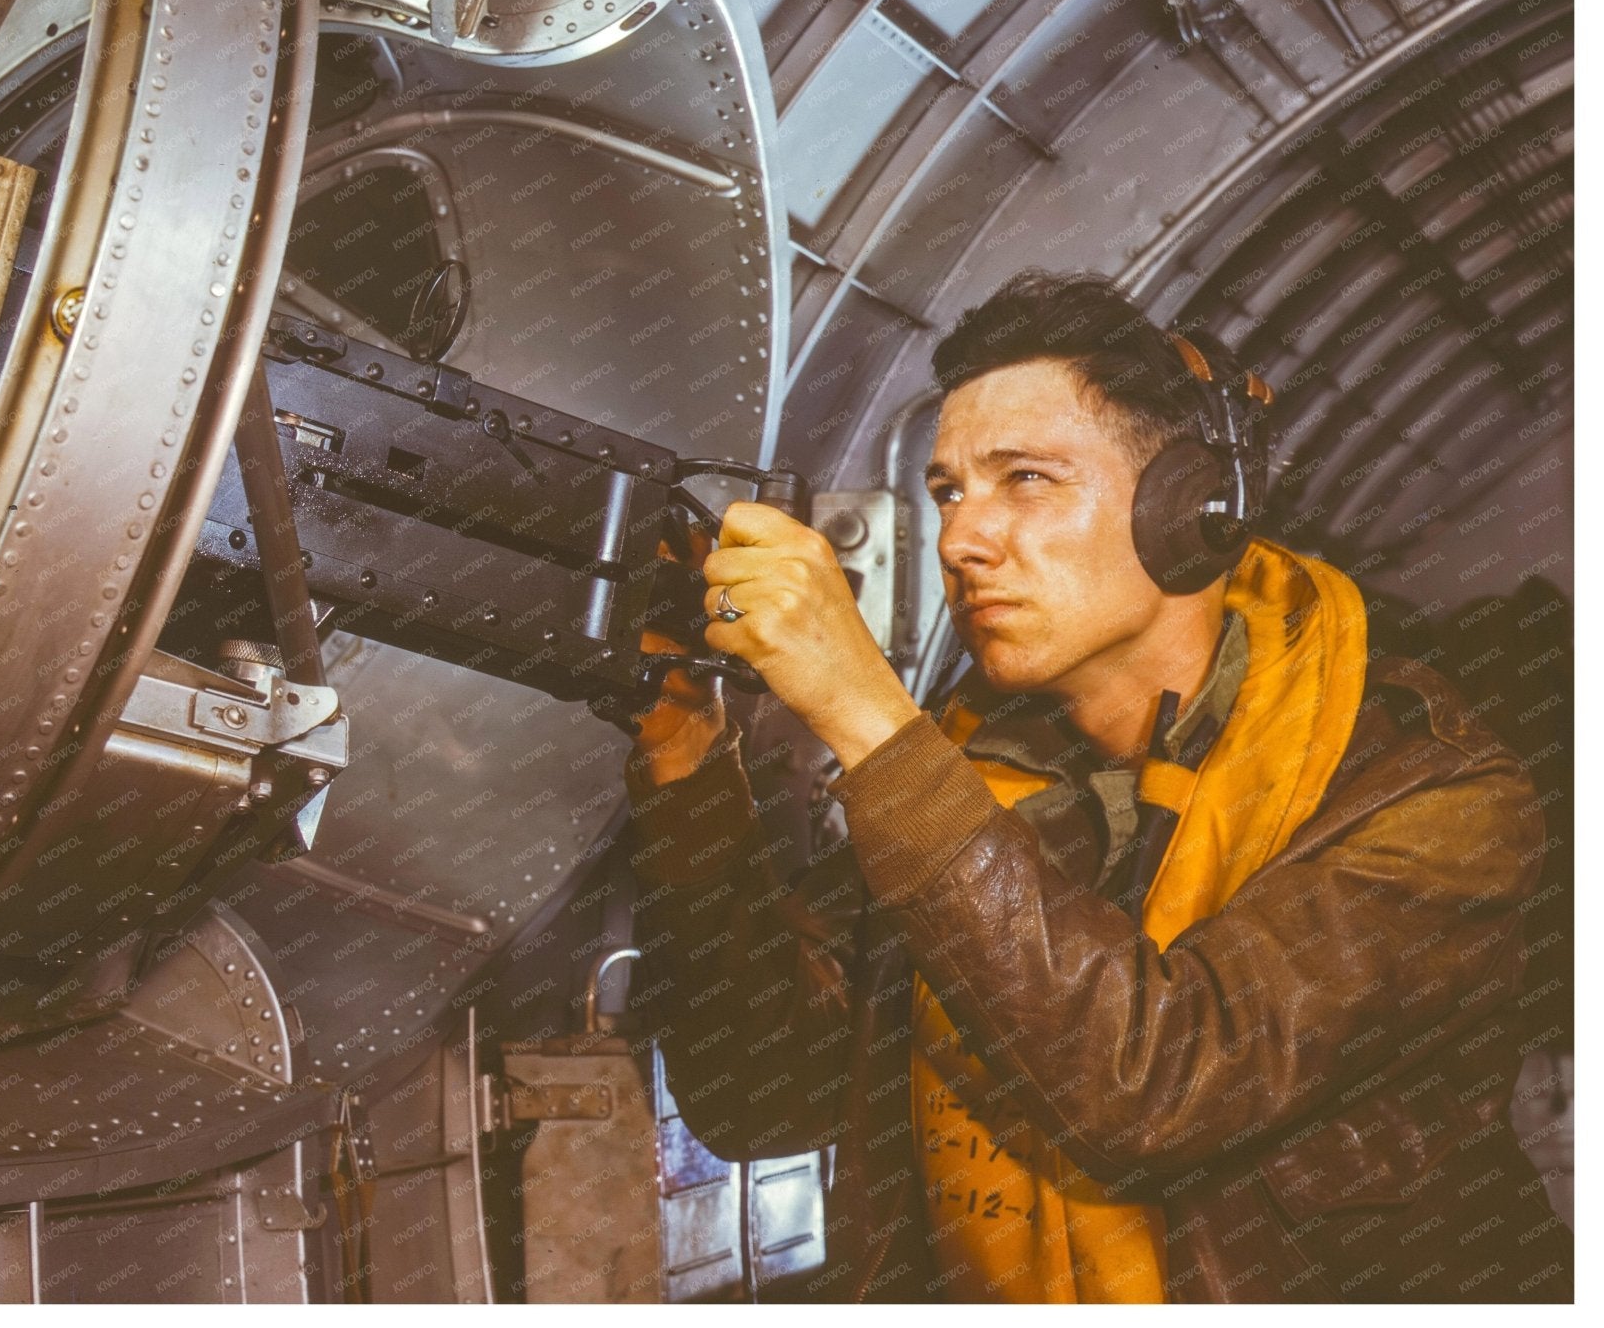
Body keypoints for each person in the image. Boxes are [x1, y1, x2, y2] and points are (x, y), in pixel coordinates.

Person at [620, 270, 1570, 1303]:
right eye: (947, 491)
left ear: (1191, 509)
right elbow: (761, 1095)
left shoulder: (1436, 802)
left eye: (1025, 479)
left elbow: (1154, 1091)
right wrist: (685, 748)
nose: (960, 539)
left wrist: (865, 714)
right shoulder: (975, 781)